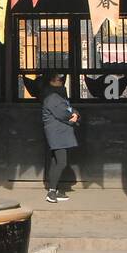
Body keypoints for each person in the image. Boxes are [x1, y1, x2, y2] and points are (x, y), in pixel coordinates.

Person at [40, 72, 80, 204]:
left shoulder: (56, 95)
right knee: (61, 162)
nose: (61, 81)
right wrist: (73, 117)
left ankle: (55, 189)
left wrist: (74, 114)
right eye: (58, 80)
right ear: (51, 81)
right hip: (57, 133)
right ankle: (51, 191)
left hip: (58, 132)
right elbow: (63, 113)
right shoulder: (52, 97)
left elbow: (68, 108)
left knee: (55, 162)